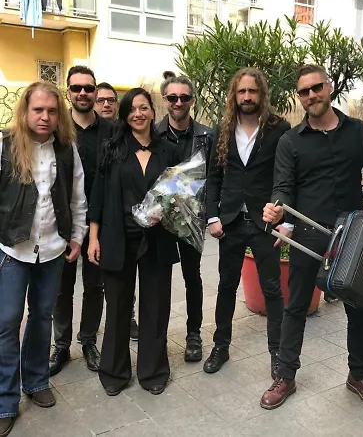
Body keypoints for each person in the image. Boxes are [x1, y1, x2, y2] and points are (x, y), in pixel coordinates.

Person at [260, 64, 363, 411]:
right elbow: (283, 187)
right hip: (309, 233)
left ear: (329, 86)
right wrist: (277, 208)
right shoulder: (291, 141)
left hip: (353, 234)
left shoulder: (357, 130)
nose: (311, 96)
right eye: (304, 92)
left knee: (359, 308)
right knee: (296, 306)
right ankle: (285, 375)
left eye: (316, 87)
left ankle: (359, 376)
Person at [0, 81, 87, 437]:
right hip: (12, 250)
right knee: (6, 323)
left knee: (42, 317)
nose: (45, 117)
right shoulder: (5, 145)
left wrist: (77, 236)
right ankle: (4, 402)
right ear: (25, 110)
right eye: (38, 110)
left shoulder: (66, 149)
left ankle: (36, 381)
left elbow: (78, 197)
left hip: (52, 249)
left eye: (52, 111)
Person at [88, 88, 180, 396]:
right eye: (132, 109)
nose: (138, 114)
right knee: (118, 306)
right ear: (125, 115)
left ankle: (153, 371)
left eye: (143, 108)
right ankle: (114, 372)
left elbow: (179, 194)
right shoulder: (111, 149)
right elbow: (98, 195)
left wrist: (168, 211)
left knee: (156, 305)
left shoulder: (169, 151)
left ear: (153, 111)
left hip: (157, 238)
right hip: (117, 237)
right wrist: (93, 237)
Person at [204, 67, 291, 377]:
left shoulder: (279, 129)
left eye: (252, 91)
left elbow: (287, 178)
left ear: (261, 93)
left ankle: (278, 352)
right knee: (226, 286)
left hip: (263, 223)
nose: (247, 96)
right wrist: (212, 216)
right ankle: (221, 346)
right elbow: (214, 177)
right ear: (234, 95)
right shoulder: (223, 129)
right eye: (241, 91)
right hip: (229, 223)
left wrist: (285, 219)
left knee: (272, 290)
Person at [50, 66, 114, 376]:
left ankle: (88, 341)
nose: (83, 93)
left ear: (95, 91)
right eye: (76, 88)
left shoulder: (112, 131)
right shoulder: (56, 130)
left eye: (88, 88)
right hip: (62, 223)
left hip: (100, 222)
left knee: (95, 285)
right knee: (61, 287)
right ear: (68, 92)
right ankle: (61, 345)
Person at [156, 73, 214, 362]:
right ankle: (158, 338)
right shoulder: (152, 134)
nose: (178, 102)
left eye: (184, 97)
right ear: (164, 99)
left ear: (192, 100)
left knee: (193, 277)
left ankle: (194, 335)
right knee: (160, 281)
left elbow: (215, 178)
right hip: (161, 222)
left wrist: (211, 215)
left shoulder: (207, 136)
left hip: (193, 220)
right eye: (172, 97)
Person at [93, 82, 139, 341]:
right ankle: (86, 335)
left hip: (118, 220)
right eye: (101, 100)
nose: (106, 104)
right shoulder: (85, 132)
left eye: (111, 100)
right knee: (91, 284)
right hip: (89, 214)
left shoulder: (126, 134)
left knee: (120, 276)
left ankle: (127, 317)